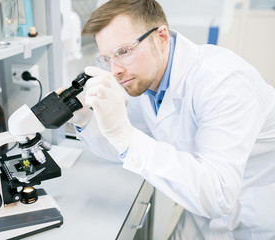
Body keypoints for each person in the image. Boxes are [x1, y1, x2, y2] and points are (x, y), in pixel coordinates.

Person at [68, 0, 275, 239]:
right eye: (106, 58)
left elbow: (218, 196)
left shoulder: (223, 82)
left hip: (255, 218)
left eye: (123, 51)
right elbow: (128, 147)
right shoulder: (146, 80)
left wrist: (126, 138)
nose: (114, 70)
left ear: (162, 37)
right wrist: (85, 119)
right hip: (200, 210)